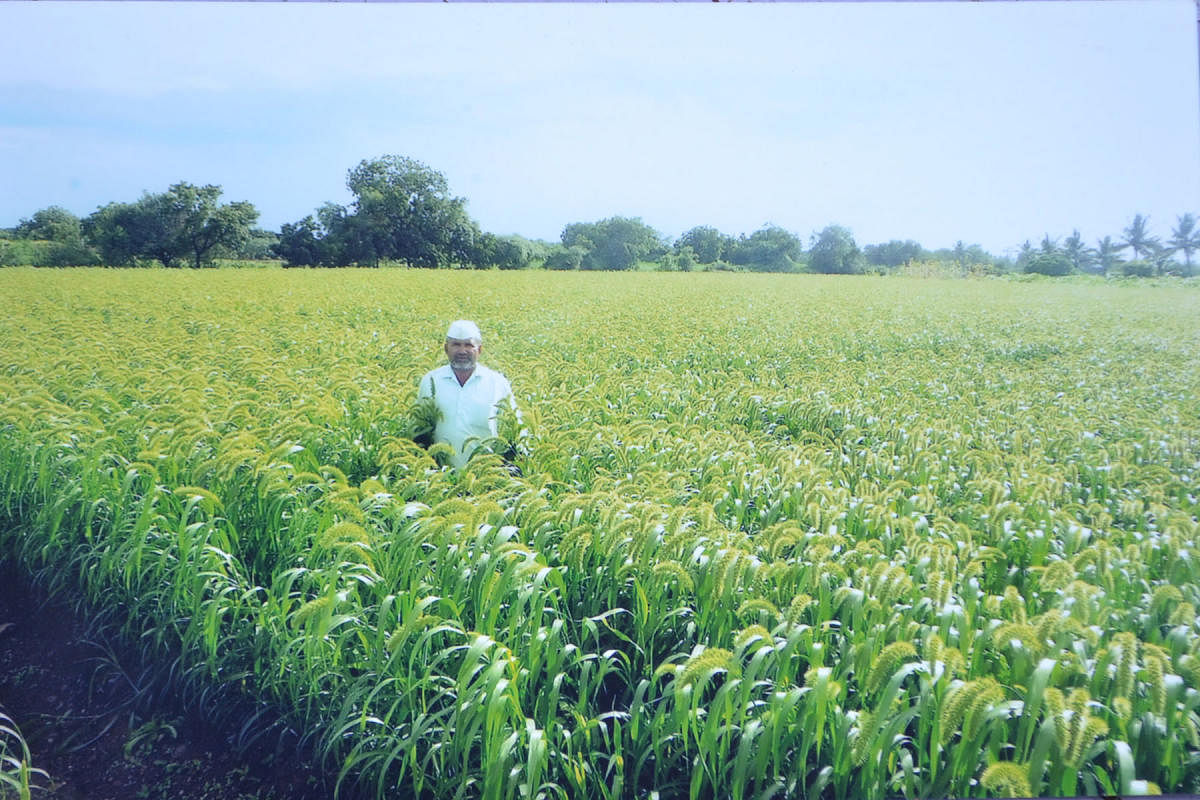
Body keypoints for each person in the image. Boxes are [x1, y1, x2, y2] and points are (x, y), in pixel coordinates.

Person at [417, 319, 520, 469]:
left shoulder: (497, 383)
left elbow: (515, 427)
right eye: (456, 345)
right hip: (440, 477)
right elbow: (420, 427)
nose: (462, 351)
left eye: (468, 345)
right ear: (446, 348)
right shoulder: (431, 380)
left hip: (487, 476)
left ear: (479, 350)